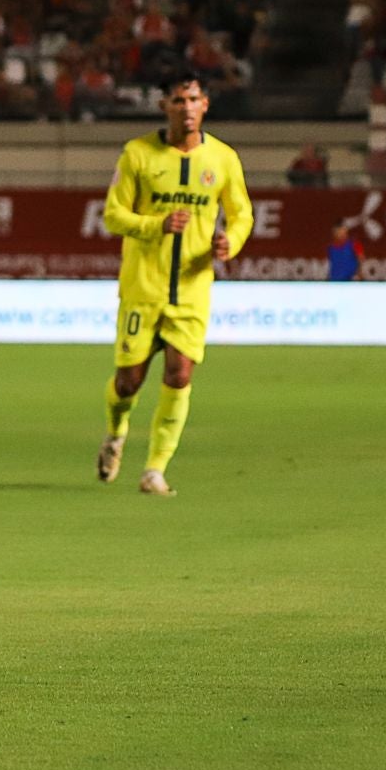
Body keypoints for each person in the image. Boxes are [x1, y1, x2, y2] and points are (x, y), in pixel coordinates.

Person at [96, 74, 254, 496]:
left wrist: (231, 241)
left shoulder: (223, 158)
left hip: (192, 290)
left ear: (206, 105)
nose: (187, 108)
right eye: (179, 100)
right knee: (128, 382)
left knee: (180, 374)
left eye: (194, 99)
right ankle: (116, 432)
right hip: (143, 289)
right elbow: (113, 215)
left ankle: (155, 469)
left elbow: (242, 215)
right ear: (164, 105)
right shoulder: (138, 154)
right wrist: (157, 225)